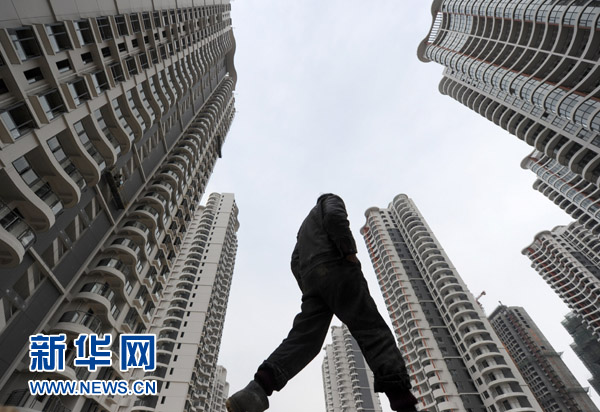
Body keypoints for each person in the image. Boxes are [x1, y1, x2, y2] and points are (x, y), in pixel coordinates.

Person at [226, 194, 418, 412]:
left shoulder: (303, 230)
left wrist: (309, 289)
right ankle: (404, 402)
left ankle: (257, 390)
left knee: (305, 339)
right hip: (338, 267)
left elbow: (295, 260)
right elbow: (335, 217)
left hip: (313, 281)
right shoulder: (329, 200)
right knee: (370, 328)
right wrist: (349, 252)